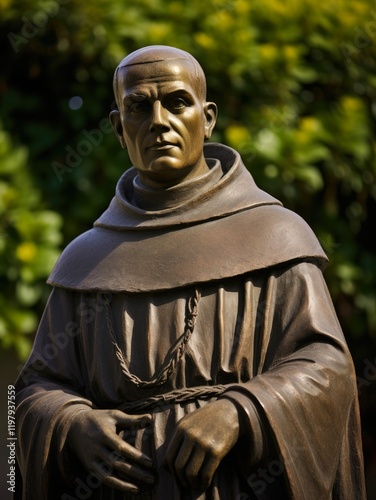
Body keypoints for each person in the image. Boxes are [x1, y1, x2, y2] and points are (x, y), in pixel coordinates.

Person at [15, 45, 366, 500]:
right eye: (138, 107)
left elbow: (329, 366)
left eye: (177, 102)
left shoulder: (274, 235)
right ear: (120, 129)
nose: (159, 120)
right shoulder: (87, 260)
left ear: (208, 116)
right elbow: (27, 393)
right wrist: (71, 423)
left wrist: (243, 411)